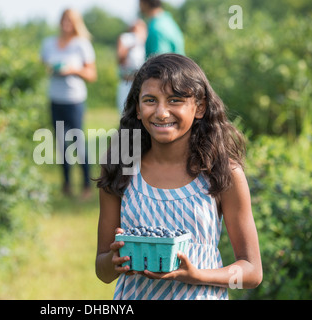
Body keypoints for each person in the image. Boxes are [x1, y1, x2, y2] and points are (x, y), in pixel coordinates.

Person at [94, 54, 262, 300]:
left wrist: (196, 275)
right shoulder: (121, 171)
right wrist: (115, 258)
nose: (162, 113)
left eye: (175, 100)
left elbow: (251, 271)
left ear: (200, 107)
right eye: (150, 100)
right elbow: (102, 271)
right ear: (138, 110)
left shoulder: (223, 173)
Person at [41, 9, 97, 199]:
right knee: (61, 144)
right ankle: (66, 185)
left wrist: (73, 70)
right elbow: (44, 66)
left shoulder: (82, 45)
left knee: (78, 143)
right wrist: (54, 69)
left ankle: (86, 185)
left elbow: (91, 75)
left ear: (76, 23)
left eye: (70, 21)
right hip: (55, 99)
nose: (66, 25)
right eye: (64, 20)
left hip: (74, 100)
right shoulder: (48, 44)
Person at [116, 19, 147, 115]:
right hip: (127, 81)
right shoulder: (125, 39)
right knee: (125, 113)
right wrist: (130, 47)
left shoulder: (146, 41)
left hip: (142, 82)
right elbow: (120, 59)